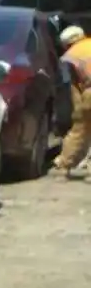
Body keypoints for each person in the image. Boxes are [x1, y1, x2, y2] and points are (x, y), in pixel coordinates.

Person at [57, 25, 91, 180]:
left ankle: (64, 166)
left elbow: (74, 88)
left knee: (79, 131)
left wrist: (77, 113)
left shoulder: (70, 56)